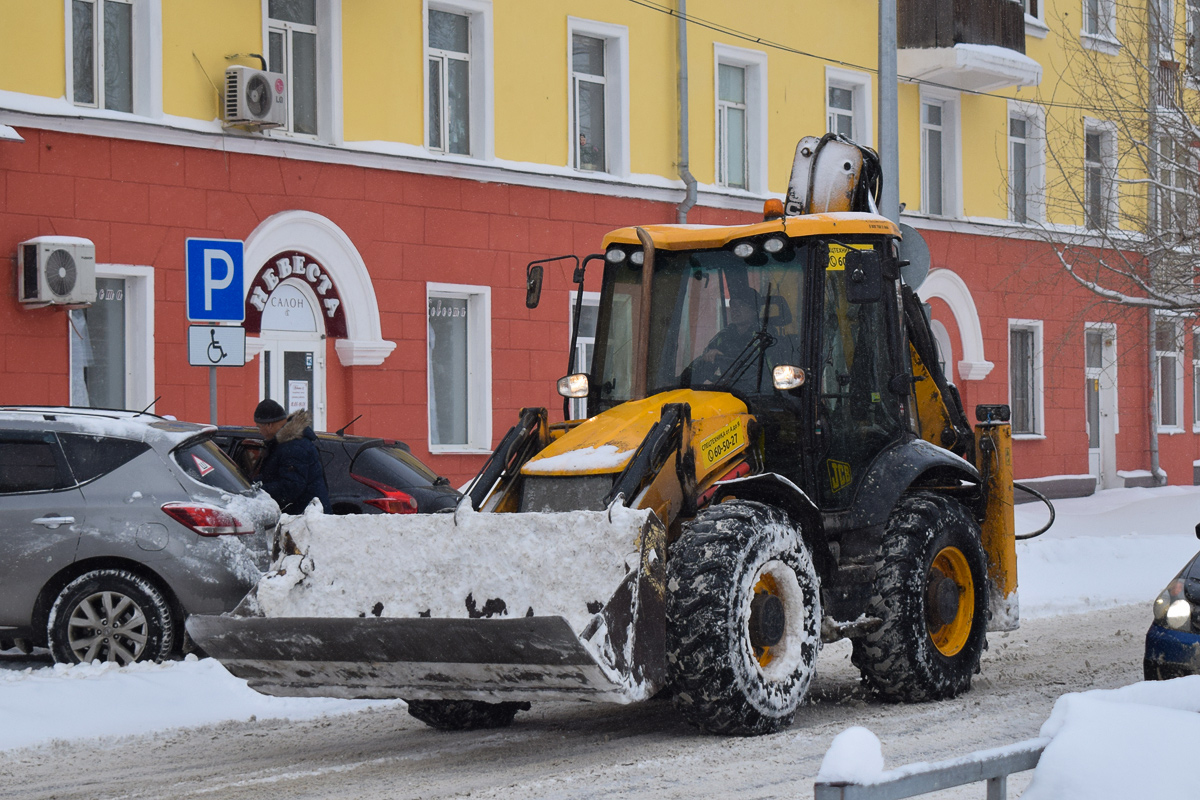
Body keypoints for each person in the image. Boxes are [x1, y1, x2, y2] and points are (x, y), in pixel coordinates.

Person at [252, 399, 331, 515]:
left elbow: (291, 487)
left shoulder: (294, 447)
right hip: (303, 516)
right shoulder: (283, 445)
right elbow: (272, 476)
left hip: (308, 519)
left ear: (269, 425)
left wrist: (259, 492)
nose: (259, 432)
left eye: (259, 427)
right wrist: (254, 483)